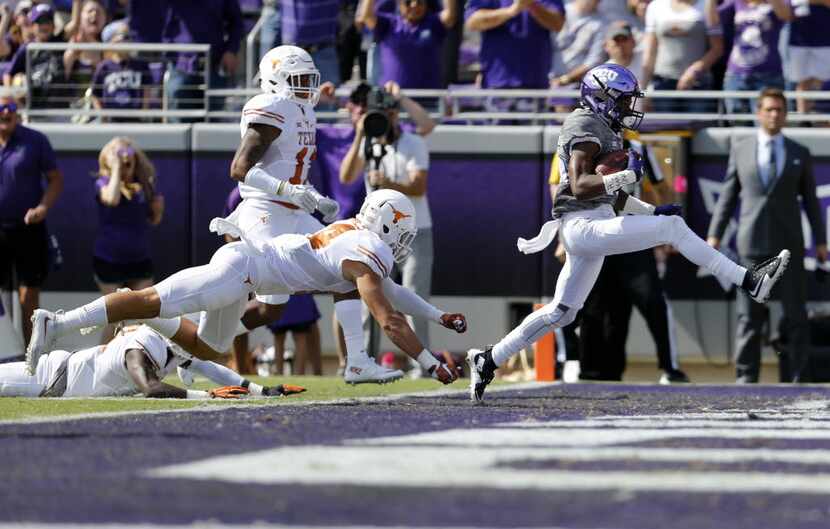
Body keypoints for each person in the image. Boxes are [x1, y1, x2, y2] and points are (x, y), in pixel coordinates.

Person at [466, 63, 791, 402]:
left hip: (595, 221)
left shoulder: (605, 127)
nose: (628, 108)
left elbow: (613, 196)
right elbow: (579, 187)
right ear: (601, 98)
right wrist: (625, 177)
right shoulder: (583, 123)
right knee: (673, 229)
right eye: (622, 100)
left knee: (562, 312)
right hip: (582, 225)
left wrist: (650, 210)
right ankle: (749, 280)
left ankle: (488, 358)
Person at [28, 189, 468, 388]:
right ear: (388, 223)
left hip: (248, 276)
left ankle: (142, 317)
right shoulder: (367, 248)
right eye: (402, 230)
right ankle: (58, 322)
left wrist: (437, 316)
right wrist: (430, 363)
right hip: (240, 269)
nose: (403, 241)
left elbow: (390, 294)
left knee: (205, 349)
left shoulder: (358, 238)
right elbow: (389, 319)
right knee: (151, 296)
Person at [707, 88, 826, 383]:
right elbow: (727, 196)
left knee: (796, 318)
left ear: (785, 115)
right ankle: (746, 380)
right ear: (759, 113)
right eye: (769, 109)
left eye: (779, 110)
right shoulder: (741, 148)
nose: (774, 115)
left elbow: (811, 201)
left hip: (790, 247)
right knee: (749, 318)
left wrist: (821, 241)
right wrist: (714, 236)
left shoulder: (800, 152)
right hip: (751, 246)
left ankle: (799, 379)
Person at [340, 84, 436, 376]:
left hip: (415, 232)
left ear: (395, 114)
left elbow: (419, 186)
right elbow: (346, 176)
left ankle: (422, 364)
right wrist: (359, 133)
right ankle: (366, 361)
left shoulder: (412, 142)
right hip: (376, 237)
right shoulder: (368, 142)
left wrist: (387, 183)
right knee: (371, 298)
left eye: (387, 113)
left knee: (415, 297)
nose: (383, 119)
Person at [1, 321, 305, 398]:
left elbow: (212, 369)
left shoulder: (171, 347)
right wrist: (207, 395)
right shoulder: (140, 348)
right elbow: (150, 388)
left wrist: (261, 391)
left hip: (60, 380)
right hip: (48, 376)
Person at [0, 96, 62, 351]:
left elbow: (56, 180)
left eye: (10, 108)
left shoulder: (35, 140)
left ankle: (32, 355)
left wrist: (43, 208)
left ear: (18, 113)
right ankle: (5, 353)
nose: (5, 112)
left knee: (29, 296)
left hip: (29, 228)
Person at [92, 137, 163, 343]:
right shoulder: (103, 182)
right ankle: (98, 364)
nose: (123, 157)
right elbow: (111, 199)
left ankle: (138, 362)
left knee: (145, 315)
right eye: (116, 153)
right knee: (115, 318)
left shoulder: (144, 185)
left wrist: (157, 209)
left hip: (138, 258)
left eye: (126, 152)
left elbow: (154, 219)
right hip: (109, 260)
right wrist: (115, 169)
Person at [161, 0, 243, 116]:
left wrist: (231, 50)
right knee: (180, 126)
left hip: (213, 67)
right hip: (180, 67)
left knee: (212, 126)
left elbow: (236, 22)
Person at [640, 0, 723, 113]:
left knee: (698, 128)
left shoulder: (706, 4)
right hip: (663, 83)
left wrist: (695, 70)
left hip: (698, 84)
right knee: (666, 129)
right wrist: (643, 91)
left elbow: (717, 48)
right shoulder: (655, 6)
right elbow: (650, 53)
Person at [464, 0, 565, 90]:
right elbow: (473, 22)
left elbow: (558, 24)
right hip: (496, 81)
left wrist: (531, 5)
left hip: (536, 82)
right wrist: (512, 10)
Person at [357, 0, 457, 90]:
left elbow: (450, 15)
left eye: (420, 2)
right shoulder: (388, 24)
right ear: (399, 4)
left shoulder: (434, 24)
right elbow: (366, 16)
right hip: (393, 103)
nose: (414, 5)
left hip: (428, 101)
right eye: (408, 2)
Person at [718, 0, 791, 116]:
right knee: (739, 127)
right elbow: (714, 20)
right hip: (736, 75)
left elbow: (786, 15)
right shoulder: (736, 2)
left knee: (766, 123)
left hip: (768, 74)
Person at [90, 21, 153, 121]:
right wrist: (101, 114)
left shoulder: (141, 65)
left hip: (134, 117)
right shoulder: (104, 67)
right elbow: (94, 94)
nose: (126, 41)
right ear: (111, 41)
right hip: (112, 118)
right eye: (123, 36)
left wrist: (144, 111)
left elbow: (147, 88)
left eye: (128, 37)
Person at [268, 294, 323, 376]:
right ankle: (300, 375)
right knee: (300, 338)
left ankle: (280, 374)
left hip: (279, 296)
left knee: (280, 339)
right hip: (297, 295)